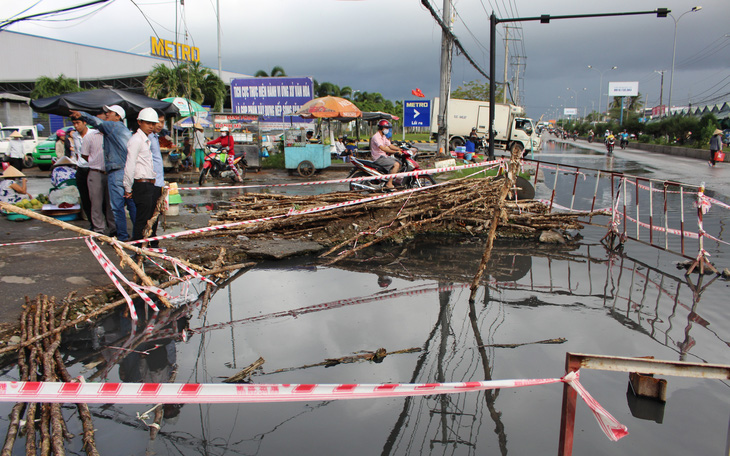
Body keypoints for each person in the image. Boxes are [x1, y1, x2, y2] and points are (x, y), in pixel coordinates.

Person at [71, 105, 136, 242]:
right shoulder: (123, 130)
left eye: (110, 112)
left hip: (116, 172)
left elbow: (96, 122)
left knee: (116, 207)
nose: (107, 114)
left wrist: (82, 114)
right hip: (123, 171)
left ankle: (122, 236)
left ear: (118, 116)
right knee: (127, 204)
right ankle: (135, 235)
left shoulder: (112, 127)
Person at [123, 107, 159, 242]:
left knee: (148, 219)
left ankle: (144, 250)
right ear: (140, 122)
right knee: (141, 220)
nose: (151, 127)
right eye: (148, 123)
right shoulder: (136, 140)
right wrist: (128, 188)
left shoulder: (145, 140)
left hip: (148, 184)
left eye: (153, 124)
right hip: (141, 184)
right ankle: (138, 251)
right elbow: (130, 165)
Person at [78, 116, 115, 235]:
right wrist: (95, 161)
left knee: (112, 203)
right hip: (96, 172)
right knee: (96, 202)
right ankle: (99, 229)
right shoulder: (90, 137)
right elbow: (84, 155)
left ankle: (113, 228)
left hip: (111, 173)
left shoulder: (112, 135)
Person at [147, 112, 166, 247]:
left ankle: (153, 240)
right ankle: (147, 243)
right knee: (148, 215)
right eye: (157, 122)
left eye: (162, 122)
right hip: (150, 182)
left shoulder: (155, 137)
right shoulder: (146, 138)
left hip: (158, 182)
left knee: (156, 213)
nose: (160, 125)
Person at [369, 120, 401, 190]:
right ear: (382, 128)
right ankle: (389, 183)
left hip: (384, 156)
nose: (387, 130)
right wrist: (394, 152)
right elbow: (382, 148)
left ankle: (391, 178)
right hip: (378, 158)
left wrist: (400, 149)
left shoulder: (383, 136)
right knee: (396, 164)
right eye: (386, 128)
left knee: (400, 162)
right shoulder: (376, 137)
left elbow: (390, 145)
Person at [71, 118, 92, 224]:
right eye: (74, 123)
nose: (76, 126)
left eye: (78, 123)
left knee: (96, 199)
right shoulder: (75, 135)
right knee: (85, 199)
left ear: (84, 122)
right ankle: (92, 224)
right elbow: (77, 152)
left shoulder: (93, 134)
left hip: (92, 169)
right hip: (80, 168)